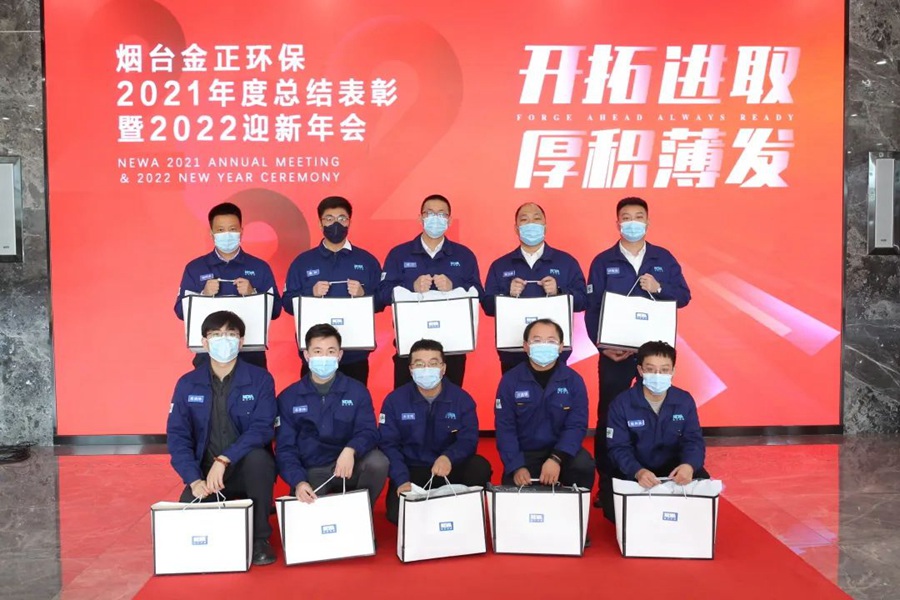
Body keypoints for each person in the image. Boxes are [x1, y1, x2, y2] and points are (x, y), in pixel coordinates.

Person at [584, 196, 691, 505]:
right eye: (626, 217)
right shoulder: (603, 261)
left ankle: (658, 476)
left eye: (638, 216)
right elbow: (592, 308)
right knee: (609, 416)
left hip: (654, 357)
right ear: (618, 222)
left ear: (647, 221)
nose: (632, 222)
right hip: (615, 354)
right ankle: (607, 486)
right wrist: (601, 346)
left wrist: (659, 288)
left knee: (658, 412)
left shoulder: (663, 258)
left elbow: (684, 296)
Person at [166, 310, 278, 566]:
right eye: (216, 335)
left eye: (231, 334)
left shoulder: (260, 379)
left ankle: (260, 538)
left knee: (260, 459)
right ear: (205, 343)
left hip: (244, 467)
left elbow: (262, 428)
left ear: (241, 341)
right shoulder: (187, 383)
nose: (224, 340)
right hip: (206, 474)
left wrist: (225, 458)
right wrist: (193, 479)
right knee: (191, 532)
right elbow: (178, 436)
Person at [378, 339, 493, 524]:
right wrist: (401, 479)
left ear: (443, 368)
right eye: (419, 364)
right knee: (397, 516)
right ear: (410, 369)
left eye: (433, 363)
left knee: (479, 466)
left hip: (448, 468)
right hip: (412, 471)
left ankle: (465, 513)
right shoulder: (394, 401)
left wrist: (449, 457)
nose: (426, 369)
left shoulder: (462, 399)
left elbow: (468, 440)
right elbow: (388, 444)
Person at [275, 324, 388, 509]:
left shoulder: (357, 391)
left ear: (339, 355)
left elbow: (369, 431)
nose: (324, 357)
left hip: (350, 466)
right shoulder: (288, 397)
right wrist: (299, 482)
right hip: (313, 471)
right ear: (307, 355)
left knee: (378, 462)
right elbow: (285, 449)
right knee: (313, 519)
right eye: (317, 351)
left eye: (331, 351)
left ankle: (361, 512)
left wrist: (351, 449)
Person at [377, 194, 484, 389]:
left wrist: (454, 287)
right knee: (405, 402)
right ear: (420, 218)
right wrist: (411, 287)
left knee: (452, 403)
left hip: (453, 348)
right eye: (430, 213)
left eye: (442, 214)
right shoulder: (399, 254)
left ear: (449, 220)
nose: (436, 218)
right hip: (409, 347)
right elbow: (382, 294)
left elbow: (479, 293)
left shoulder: (464, 255)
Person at [603, 340, 710, 522]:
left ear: (673, 371)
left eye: (664, 370)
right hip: (635, 470)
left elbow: (693, 440)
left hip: (673, 471)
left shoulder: (684, 400)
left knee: (703, 491)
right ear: (640, 370)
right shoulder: (621, 403)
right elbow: (618, 447)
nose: (657, 375)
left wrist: (689, 465)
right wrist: (637, 471)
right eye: (651, 369)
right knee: (613, 511)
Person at [282, 196, 382, 385]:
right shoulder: (302, 262)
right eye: (329, 219)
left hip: (355, 355)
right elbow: (286, 303)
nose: (336, 224)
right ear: (320, 224)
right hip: (315, 355)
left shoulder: (367, 261)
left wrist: (364, 295)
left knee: (354, 401)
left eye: (342, 218)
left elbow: (382, 301)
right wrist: (310, 293)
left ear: (349, 222)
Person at [174, 202, 282, 369]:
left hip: (251, 355)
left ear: (241, 231)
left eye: (232, 229)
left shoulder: (259, 267)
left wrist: (253, 293)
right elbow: (180, 311)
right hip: (208, 356)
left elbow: (276, 311)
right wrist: (203, 295)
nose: (227, 235)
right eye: (220, 230)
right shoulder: (195, 268)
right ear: (212, 233)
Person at [482, 202, 587, 373]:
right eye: (524, 219)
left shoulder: (566, 262)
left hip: (555, 353)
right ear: (516, 228)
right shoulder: (500, 265)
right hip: (513, 352)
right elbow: (487, 306)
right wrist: (506, 294)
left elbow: (583, 301)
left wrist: (559, 291)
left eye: (537, 219)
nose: (531, 223)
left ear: (545, 226)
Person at [494, 319, 595, 492]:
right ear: (526, 346)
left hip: (561, 453)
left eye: (551, 341)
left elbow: (576, 425)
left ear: (561, 347)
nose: (544, 345)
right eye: (537, 340)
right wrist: (516, 466)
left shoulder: (574, 380)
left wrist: (556, 458)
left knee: (583, 465)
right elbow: (505, 428)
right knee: (514, 497)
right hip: (524, 455)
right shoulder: (510, 381)